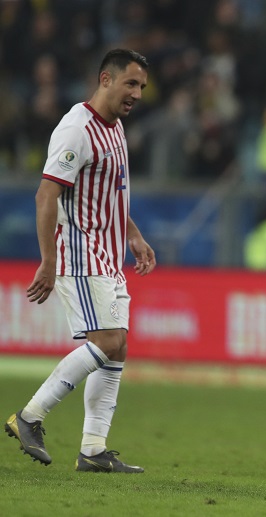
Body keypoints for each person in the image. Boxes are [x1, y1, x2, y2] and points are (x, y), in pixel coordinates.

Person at [5, 49, 156, 473]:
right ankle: (30, 417)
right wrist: (48, 261)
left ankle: (92, 450)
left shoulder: (115, 127)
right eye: (130, 83)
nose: (137, 93)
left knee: (118, 348)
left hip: (108, 254)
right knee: (107, 342)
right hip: (81, 253)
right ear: (105, 79)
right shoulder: (76, 130)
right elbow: (46, 195)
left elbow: (109, 192)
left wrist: (133, 235)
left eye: (141, 86)